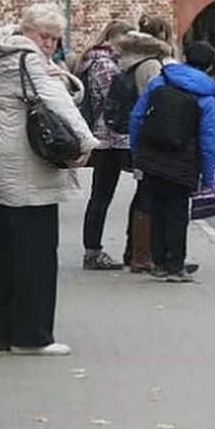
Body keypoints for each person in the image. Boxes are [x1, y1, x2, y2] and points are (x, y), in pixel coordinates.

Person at [0, 2, 97, 357]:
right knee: (37, 257)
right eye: (45, 37)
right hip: (31, 170)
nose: (49, 44)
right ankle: (32, 336)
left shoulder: (5, 54)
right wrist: (87, 144)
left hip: (9, 169)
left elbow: (62, 89)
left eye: (55, 39)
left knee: (9, 257)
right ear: (27, 30)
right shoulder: (27, 59)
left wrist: (60, 75)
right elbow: (57, 102)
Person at [129, 40, 215, 282]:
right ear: (210, 67)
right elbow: (207, 138)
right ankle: (175, 265)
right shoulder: (206, 95)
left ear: (185, 58)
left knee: (156, 209)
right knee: (178, 213)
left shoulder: (159, 81)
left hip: (152, 155)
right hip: (184, 162)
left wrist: (137, 153)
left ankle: (159, 263)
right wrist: (208, 175)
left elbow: (137, 117)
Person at [111, 15, 176, 273]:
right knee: (149, 195)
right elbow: (156, 98)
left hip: (136, 134)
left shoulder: (128, 60)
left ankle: (133, 251)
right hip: (149, 134)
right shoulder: (150, 65)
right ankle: (142, 254)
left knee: (143, 193)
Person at [71, 19, 135, 271]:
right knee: (102, 196)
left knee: (101, 195)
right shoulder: (106, 65)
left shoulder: (92, 61)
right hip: (110, 138)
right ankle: (93, 251)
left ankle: (95, 249)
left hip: (104, 136)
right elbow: (114, 100)